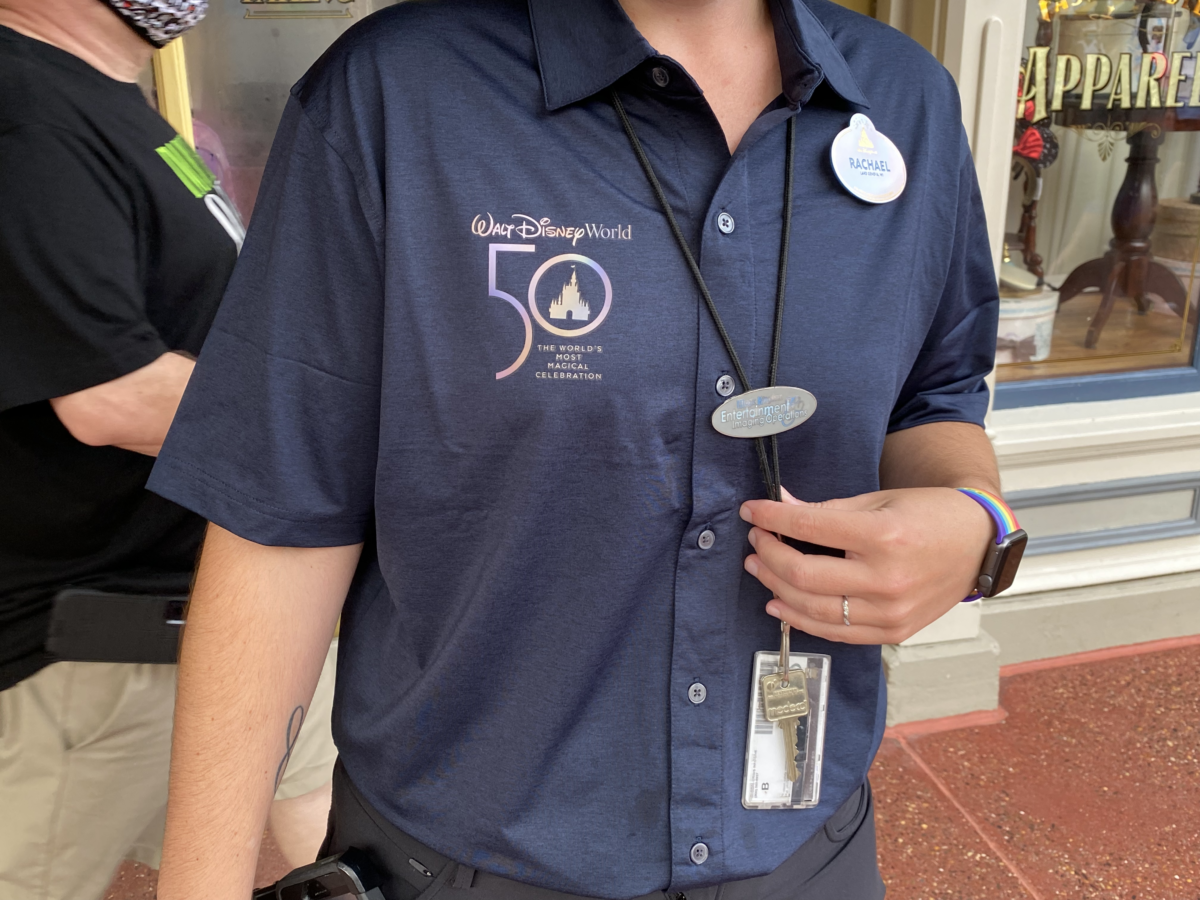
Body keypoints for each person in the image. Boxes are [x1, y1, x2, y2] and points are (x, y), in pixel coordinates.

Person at [148, 0, 1011, 897]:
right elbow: (279, 516)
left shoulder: (906, 97)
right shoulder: (398, 93)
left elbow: (937, 392)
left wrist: (975, 521)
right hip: (467, 862)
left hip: (808, 848)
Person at [0, 1, 338, 896]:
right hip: (99, 649)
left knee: (337, 843)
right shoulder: (25, 110)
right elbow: (111, 397)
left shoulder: (111, 99)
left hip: (236, 598)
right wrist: (351, 424)